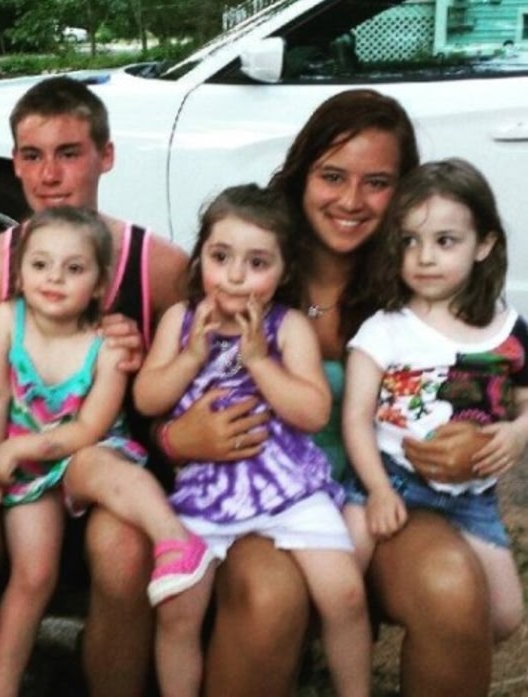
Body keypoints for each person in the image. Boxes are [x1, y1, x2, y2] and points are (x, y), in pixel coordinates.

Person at [159, 89, 498, 696]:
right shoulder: (246, 266)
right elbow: (159, 393)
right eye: (333, 176)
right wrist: (173, 439)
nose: (350, 200)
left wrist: (481, 437)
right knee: (270, 595)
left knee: (451, 587)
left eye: (377, 183)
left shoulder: (421, 284)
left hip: (382, 497)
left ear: (404, 193)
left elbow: (487, 378)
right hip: (259, 494)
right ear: (302, 173)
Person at [0, 76, 190, 696]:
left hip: (111, 466)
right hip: (14, 465)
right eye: (32, 156)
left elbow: (185, 389)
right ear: (13, 162)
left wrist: (143, 364)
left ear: (105, 156)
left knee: (125, 555)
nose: (49, 175)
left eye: (69, 153)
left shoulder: (160, 267)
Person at [134, 184, 369, 697]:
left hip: (289, 488)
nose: (235, 276)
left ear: (284, 271)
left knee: (346, 595)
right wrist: (191, 358)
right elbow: (147, 398)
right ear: (200, 257)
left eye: (257, 263)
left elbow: (313, 412)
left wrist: (260, 361)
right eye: (220, 257)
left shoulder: (288, 327)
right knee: (178, 609)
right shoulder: (181, 321)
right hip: (204, 492)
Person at [0, 205, 212, 696]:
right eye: (40, 264)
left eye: (74, 268)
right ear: (19, 271)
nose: (54, 278)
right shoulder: (5, 320)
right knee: (31, 576)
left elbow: (89, 428)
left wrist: (20, 449)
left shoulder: (109, 345)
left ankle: (176, 541)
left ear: (100, 284)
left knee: (92, 464)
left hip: (87, 450)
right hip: (26, 469)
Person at [342, 158, 525, 642]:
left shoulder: (507, 330)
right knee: (342, 586)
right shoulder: (386, 329)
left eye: (445, 241)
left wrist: (518, 432)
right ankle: (345, 648)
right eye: (410, 241)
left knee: (504, 617)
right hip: (392, 480)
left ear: (484, 244)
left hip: (472, 497)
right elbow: (356, 419)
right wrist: (378, 489)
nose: (424, 257)